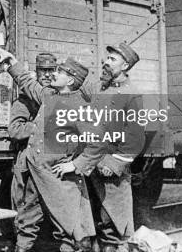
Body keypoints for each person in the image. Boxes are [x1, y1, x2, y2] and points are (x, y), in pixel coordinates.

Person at [0, 48, 95, 252]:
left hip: (57, 177)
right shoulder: (49, 95)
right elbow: (28, 82)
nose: (53, 75)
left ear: (70, 81)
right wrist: (12, 61)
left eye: (59, 72)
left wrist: (75, 165)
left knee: (68, 226)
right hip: (35, 169)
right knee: (27, 220)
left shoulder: (79, 107)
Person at [55, 42, 145, 252]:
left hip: (109, 171)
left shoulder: (132, 95)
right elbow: (72, 84)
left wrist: (115, 164)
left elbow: (136, 138)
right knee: (91, 222)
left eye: (112, 59)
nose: (105, 62)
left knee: (111, 225)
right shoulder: (98, 87)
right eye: (107, 58)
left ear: (124, 66)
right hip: (88, 166)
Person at [8, 53, 58, 250]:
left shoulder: (55, 95)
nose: (46, 75)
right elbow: (15, 130)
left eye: (50, 71)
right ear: (36, 73)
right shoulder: (25, 100)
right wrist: (43, 126)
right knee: (28, 209)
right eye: (42, 71)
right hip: (28, 161)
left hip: (50, 161)